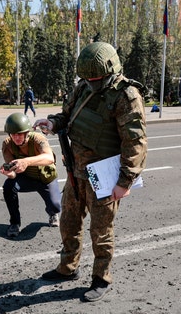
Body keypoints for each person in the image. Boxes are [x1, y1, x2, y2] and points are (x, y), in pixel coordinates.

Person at [33, 42, 147, 302]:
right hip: (77, 172)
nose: (92, 82)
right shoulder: (83, 87)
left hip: (104, 178)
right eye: (88, 77)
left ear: (110, 70)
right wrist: (52, 122)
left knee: (101, 230)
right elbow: (67, 116)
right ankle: (68, 268)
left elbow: (135, 142)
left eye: (96, 78)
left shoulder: (126, 95)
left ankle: (101, 278)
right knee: (69, 223)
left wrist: (125, 181)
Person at [0, 113, 61, 238]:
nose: (16, 137)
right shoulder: (7, 144)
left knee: (56, 206)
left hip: (45, 178)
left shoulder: (38, 139)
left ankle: (52, 213)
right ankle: (15, 223)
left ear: (27, 132)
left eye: (19, 134)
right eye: (13, 134)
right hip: (26, 178)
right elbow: (13, 173)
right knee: (8, 186)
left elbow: (49, 158)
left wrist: (26, 161)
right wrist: (9, 174)